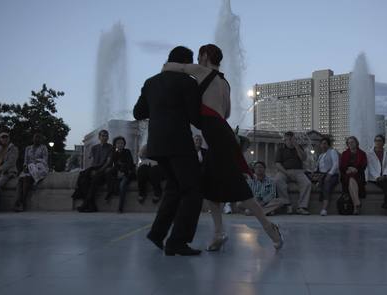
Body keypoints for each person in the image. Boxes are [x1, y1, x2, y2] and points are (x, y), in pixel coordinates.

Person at [162, 44, 283, 252]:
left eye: (200, 56)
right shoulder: (224, 83)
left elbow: (169, 68)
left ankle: (270, 228)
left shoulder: (201, 71)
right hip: (221, 131)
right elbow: (226, 113)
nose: (197, 60)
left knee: (240, 189)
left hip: (216, 134)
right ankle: (219, 233)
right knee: (210, 187)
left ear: (206, 55)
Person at [134, 46, 204, 256]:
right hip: (179, 144)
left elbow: (138, 112)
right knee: (193, 190)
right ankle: (177, 241)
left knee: (174, 188)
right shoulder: (187, 82)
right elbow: (195, 117)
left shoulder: (151, 82)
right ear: (185, 63)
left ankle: (157, 233)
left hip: (156, 146)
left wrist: (158, 107)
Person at [273, 131, 312, 215]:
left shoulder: (299, 147)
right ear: (285, 140)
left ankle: (302, 207)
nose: (291, 141)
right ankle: (287, 204)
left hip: (298, 171)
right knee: (277, 180)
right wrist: (286, 173)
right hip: (284, 171)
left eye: (293, 139)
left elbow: (303, 158)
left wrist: (296, 146)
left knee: (307, 183)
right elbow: (277, 164)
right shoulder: (281, 149)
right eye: (289, 139)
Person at [76, 130, 113, 213]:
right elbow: (92, 161)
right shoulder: (94, 148)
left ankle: (85, 204)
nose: (104, 137)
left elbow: (108, 162)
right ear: (99, 137)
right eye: (103, 136)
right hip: (94, 169)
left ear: (108, 137)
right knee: (83, 180)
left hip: (103, 170)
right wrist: (92, 170)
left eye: (106, 136)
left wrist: (99, 171)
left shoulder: (111, 147)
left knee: (93, 182)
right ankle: (92, 206)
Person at [14, 133, 49, 212]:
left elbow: (45, 160)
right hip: (29, 168)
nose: (37, 139)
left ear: (41, 140)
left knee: (26, 180)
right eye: (35, 138)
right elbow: (25, 160)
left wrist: (35, 163)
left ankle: (21, 202)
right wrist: (25, 166)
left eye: (39, 138)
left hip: (39, 168)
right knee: (20, 181)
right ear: (32, 139)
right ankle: (19, 202)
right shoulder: (28, 148)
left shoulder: (44, 148)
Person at [366, 134, 387, 216]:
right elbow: (370, 167)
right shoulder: (369, 153)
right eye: (376, 140)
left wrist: (385, 175)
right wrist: (377, 177)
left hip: (385, 176)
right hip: (374, 178)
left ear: (383, 142)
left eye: (379, 141)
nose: (377, 142)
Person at [105, 136, 135, 213]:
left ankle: (120, 208)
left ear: (124, 144)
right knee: (108, 173)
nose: (120, 144)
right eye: (118, 143)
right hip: (118, 173)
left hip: (127, 173)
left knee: (122, 186)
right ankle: (110, 192)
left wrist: (122, 172)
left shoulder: (127, 151)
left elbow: (129, 164)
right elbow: (113, 165)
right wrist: (117, 171)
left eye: (122, 143)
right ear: (115, 145)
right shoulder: (114, 153)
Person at [340, 136, 367, 215]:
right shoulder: (344, 153)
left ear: (356, 143)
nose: (350, 144)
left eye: (352, 142)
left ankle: (356, 206)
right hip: (347, 174)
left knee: (351, 179)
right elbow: (341, 166)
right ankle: (357, 203)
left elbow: (364, 165)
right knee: (350, 178)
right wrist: (348, 168)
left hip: (359, 174)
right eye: (349, 143)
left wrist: (356, 169)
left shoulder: (362, 153)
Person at [315, 136, 339, 216]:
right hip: (322, 175)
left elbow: (336, 164)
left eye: (325, 143)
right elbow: (317, 167)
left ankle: (324, 208)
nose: (323, 145)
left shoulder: (332, 152)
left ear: (328, 145)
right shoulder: (321, 155)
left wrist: (330, 174)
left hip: (332, 175)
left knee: (326, 184)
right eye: (322, 144)